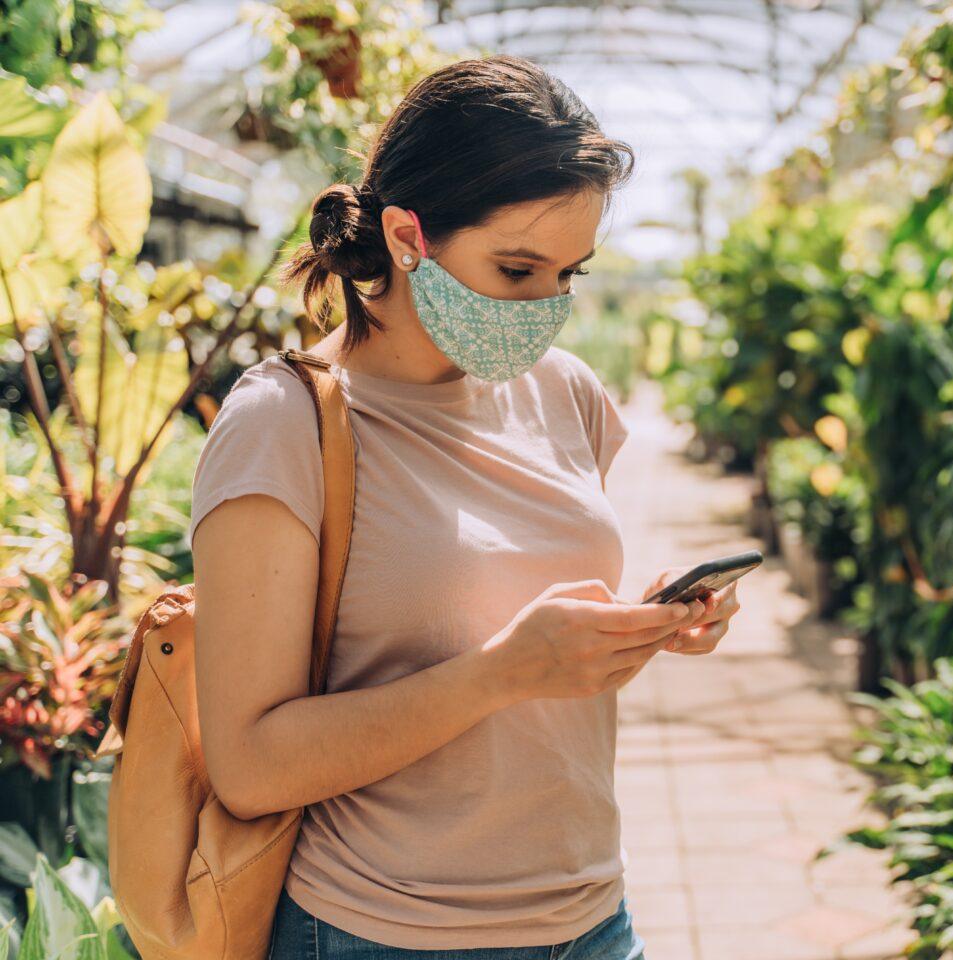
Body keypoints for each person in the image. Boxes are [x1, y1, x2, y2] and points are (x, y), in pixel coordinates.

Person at [186, 54, 741, 960]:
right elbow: (250, 767)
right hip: (383, 932)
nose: (547, 307)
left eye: (572, 274)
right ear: (407, 237)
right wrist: (505, 672)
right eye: (518, 268)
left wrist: (641, 624)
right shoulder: (283, 425)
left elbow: (516, 602)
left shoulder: (564, 392)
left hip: (593, 917)